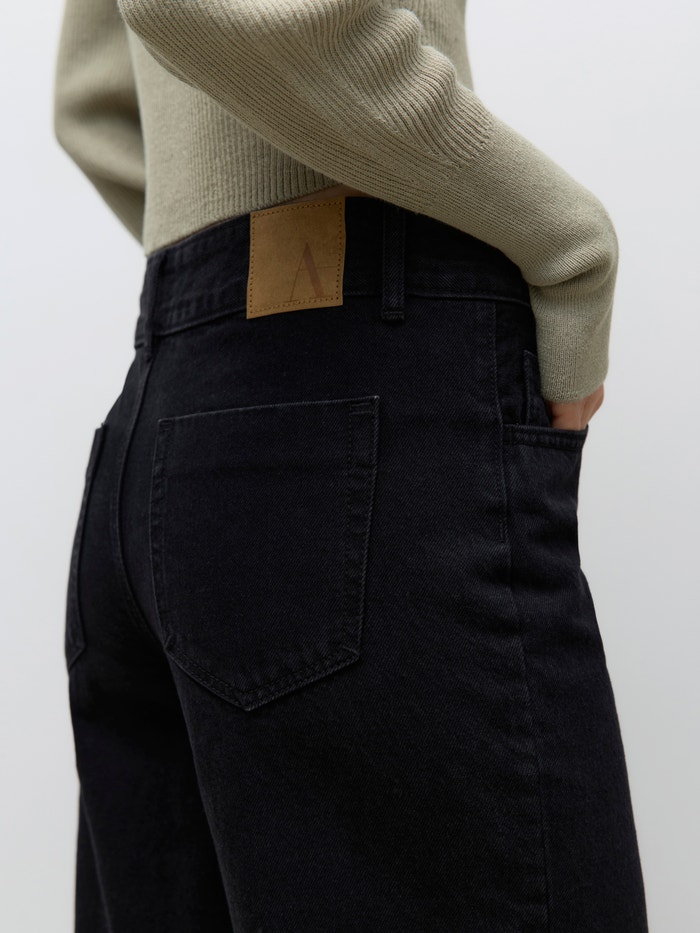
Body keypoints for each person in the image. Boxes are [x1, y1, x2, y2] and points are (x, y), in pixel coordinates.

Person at [53, 1, 648, 930]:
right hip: (352, 406)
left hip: (175, 420)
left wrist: (226, 283)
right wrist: (566, 238)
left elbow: (91, 98)